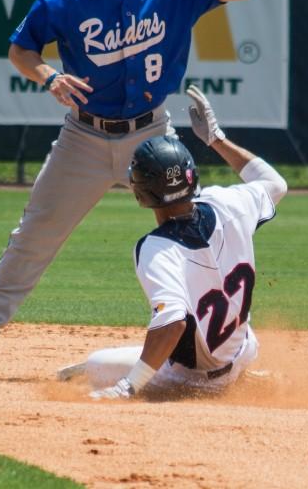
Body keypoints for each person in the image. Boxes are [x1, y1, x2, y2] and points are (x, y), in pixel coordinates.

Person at [0, 0, 260, 367]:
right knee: (36, 233)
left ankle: (212, 344)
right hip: (84, 138)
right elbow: (20, 50)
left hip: (150, 134)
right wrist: (49, 76)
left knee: (189, 233)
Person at [83, 86, 287, 399]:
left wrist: (129, 387)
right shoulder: (227, 202)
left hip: (197, 380)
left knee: (95, 365)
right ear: (192, 176)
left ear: (140, 195)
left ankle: (218, 385)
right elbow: (275, 184)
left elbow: (173, 322)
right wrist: (216, 138)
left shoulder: (157, 248)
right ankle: (244, 376)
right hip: (243, 350)